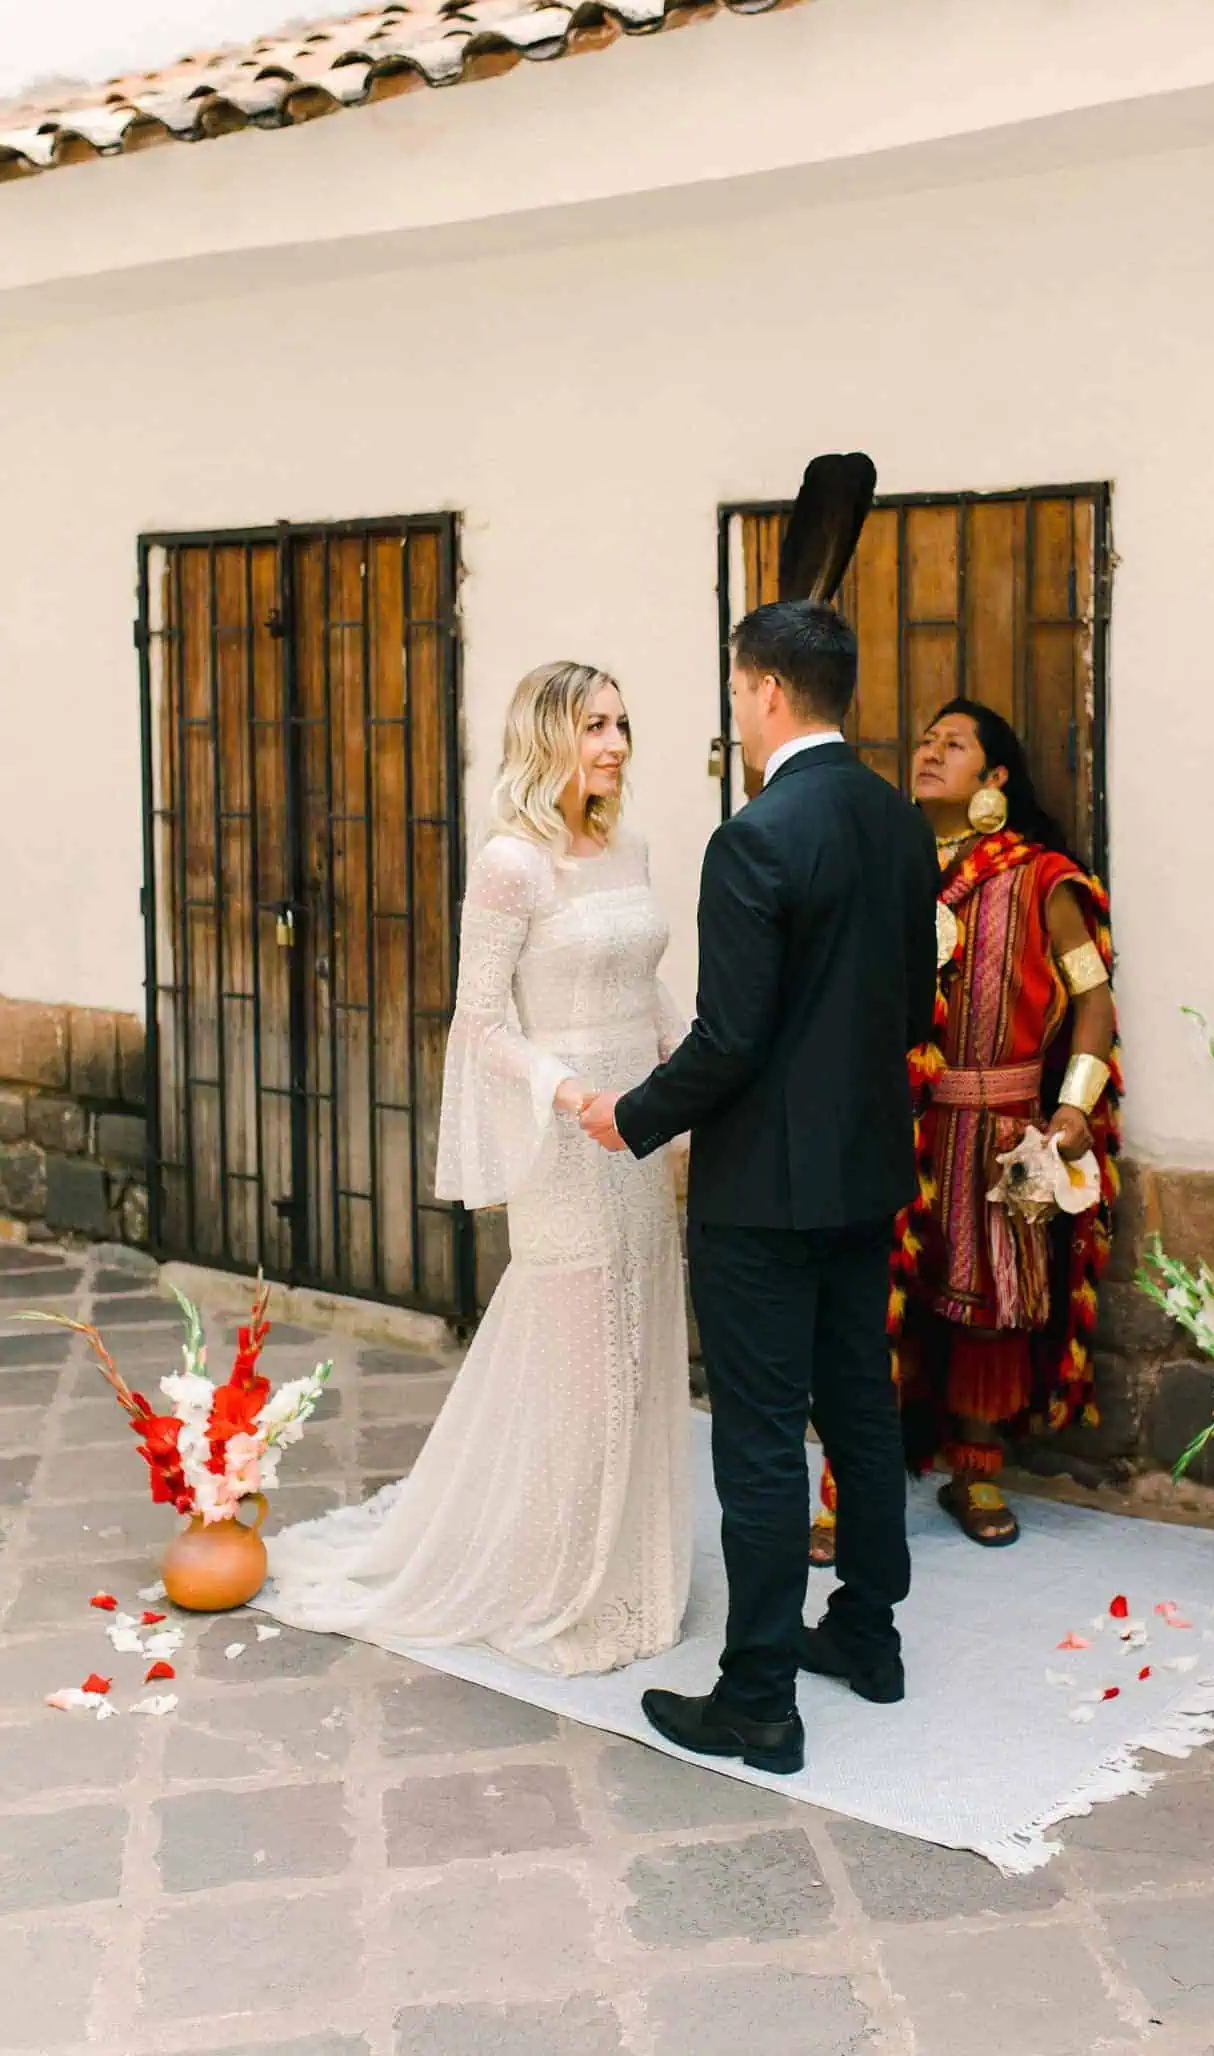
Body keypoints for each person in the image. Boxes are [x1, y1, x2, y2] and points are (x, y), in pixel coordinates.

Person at [257, 663, 692, 1676]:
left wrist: (698, 1068)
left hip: (642, 1129)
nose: (617, 743)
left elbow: (646, 980)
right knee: (584, 1355)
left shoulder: (628, 846)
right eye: (594, 725)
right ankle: (556, 1574)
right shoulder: (511, 865)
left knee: (637, 1339)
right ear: (547, 737)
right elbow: (482, 1019)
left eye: (623, 722)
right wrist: (566, 1091)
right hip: (566, 1136)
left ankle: (628, 1561)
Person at [582, 601, 939, 1775]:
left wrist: (627, 1117)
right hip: (865, 1171)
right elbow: (906, 997)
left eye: (738, 693)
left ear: (769, 693)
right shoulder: (897, 822)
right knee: (862, 1409)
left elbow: (730, 1040)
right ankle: (868, 1638)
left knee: (761, 1440)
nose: (736, 712)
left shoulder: (755, 837)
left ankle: (758, 1699)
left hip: (762, 1195)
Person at [810, 699, 1119, 1557]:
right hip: (894, 1126)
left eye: (954, 745)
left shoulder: (1041, 878)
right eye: (924, 738)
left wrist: (1073, 1106)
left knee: (987, 1310)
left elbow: (1091, 998)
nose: (929, 751)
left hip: (995, 1130)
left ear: (996, 780)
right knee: (870, 1310)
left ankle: (977, 1469)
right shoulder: (884, 866)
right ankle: (845, 1490)